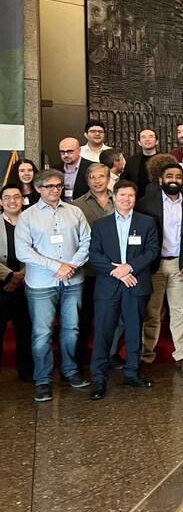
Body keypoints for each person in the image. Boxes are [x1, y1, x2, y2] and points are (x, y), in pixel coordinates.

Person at [15, 169, 92, 401]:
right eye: (49, 186)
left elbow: (87, 241)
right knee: (42, 332)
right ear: (38, 188)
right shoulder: (27, 216)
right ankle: (43, 379)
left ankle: (70, 371)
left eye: (59, 185)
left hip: (73, 280)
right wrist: (56, 266)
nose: (55, 190)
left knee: (72, 329)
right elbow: (23, 251)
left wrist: (72, 265)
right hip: (41, 283)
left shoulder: (74, 211)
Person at [87, 180, 160, 400]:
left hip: (136, 283)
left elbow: (152, 250)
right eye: (122, 195)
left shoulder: (147, 222)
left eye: (130, 195)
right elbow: (94, 254)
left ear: (135, 199)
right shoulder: (101, 224)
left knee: (134, 330)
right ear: (113, 197)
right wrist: (117, 271)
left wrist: (129, 268)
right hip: (108, 285)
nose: (126, 199)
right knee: (103, 332)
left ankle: (132, 373)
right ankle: (99, 378)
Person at [135, 162, 183, 371]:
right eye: (169, 176)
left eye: (178, 176)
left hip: (181, 265)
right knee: (151, 312)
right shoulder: (145, 204)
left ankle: (182, 354)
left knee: (180, 312)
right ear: (160, 180)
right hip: (154, 265)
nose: (174, 180)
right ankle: (146, 355)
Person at [70, 162, 114, 369]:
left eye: (101, 176)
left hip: (115, 272)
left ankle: (109, 357)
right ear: (87, 181)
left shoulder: (120, 199)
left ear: (108, 179)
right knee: (84, 319)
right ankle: (78, 361)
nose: (97, 181)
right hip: (88, 271)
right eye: (92, 177)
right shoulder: (75, 206)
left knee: (112, 318)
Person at [0, 183, 34, 382]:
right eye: (7, 197)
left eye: (16, 197)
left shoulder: (33, 223)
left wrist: (20, 276)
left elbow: (42, 250)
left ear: (23, 199)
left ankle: (26, 371)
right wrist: (10, 276)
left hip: (28, 284)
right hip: (1, 286)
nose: (12, 201)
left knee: (26, 330)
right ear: (1, 201)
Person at [53, 137, 92, 202]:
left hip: (84, 205)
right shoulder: (55, 170)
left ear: (79, 150)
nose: (66, 155)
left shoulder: (91, 167)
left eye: (70, 151)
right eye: (62, 152)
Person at [125, 129, 159, 196]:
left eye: (151, 137)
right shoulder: (131, 161)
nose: (147, 139)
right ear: (139, 142)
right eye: (143, 137)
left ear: (157, 141)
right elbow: (125, 181)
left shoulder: (165, 159)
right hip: (137, 198)